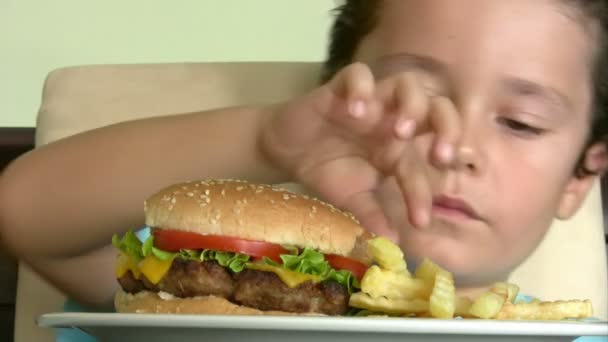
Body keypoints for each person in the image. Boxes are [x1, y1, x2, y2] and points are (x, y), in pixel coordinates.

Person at [0, 0, 607, 340]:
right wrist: (268, 140)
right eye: (409, 102)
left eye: (521, 122)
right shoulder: (206, 302)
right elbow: (22, 212)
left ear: (582, 175)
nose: (452, 148)